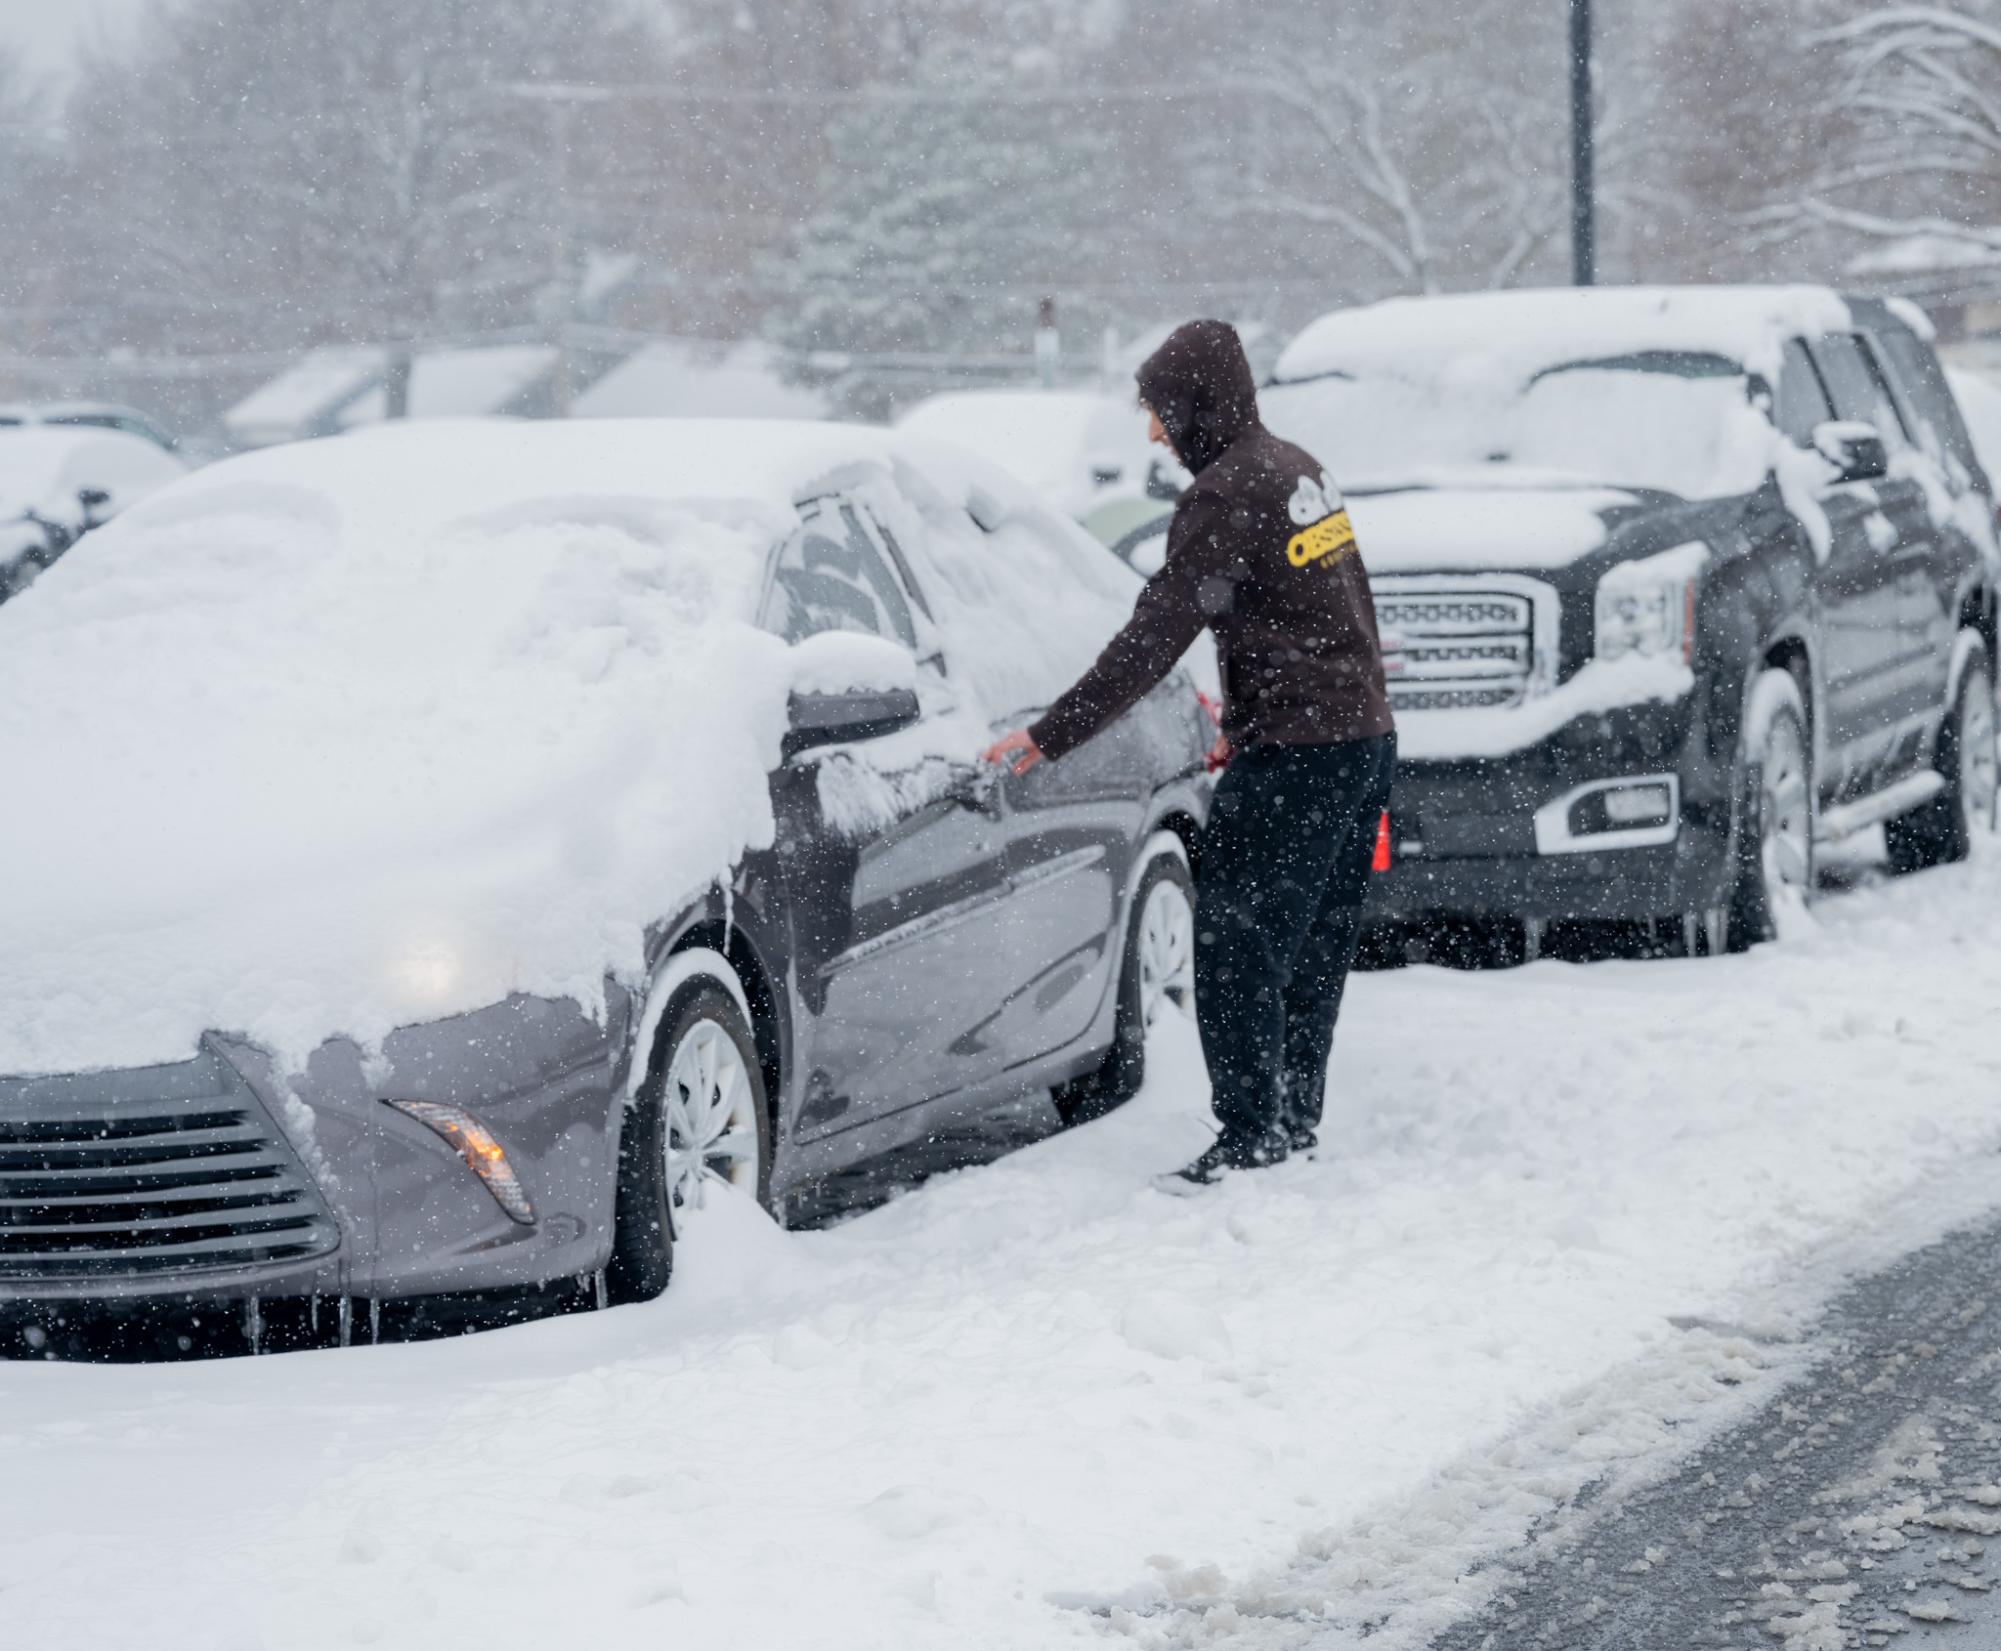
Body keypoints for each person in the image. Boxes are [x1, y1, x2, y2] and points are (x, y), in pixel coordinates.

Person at [982, 319, 1395, 1188]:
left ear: (1198, 403)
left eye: (1159, 411)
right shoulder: (1296, 468)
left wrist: (1049, 733)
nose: (1152, 432)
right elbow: (1335, 609)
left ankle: (1250, 1134)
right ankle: (1289, 1118)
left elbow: (1156, 633)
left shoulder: (1226, 490)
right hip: (1359, 739)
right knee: (1310, 941)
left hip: (1297, 751)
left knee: (1237, 943)